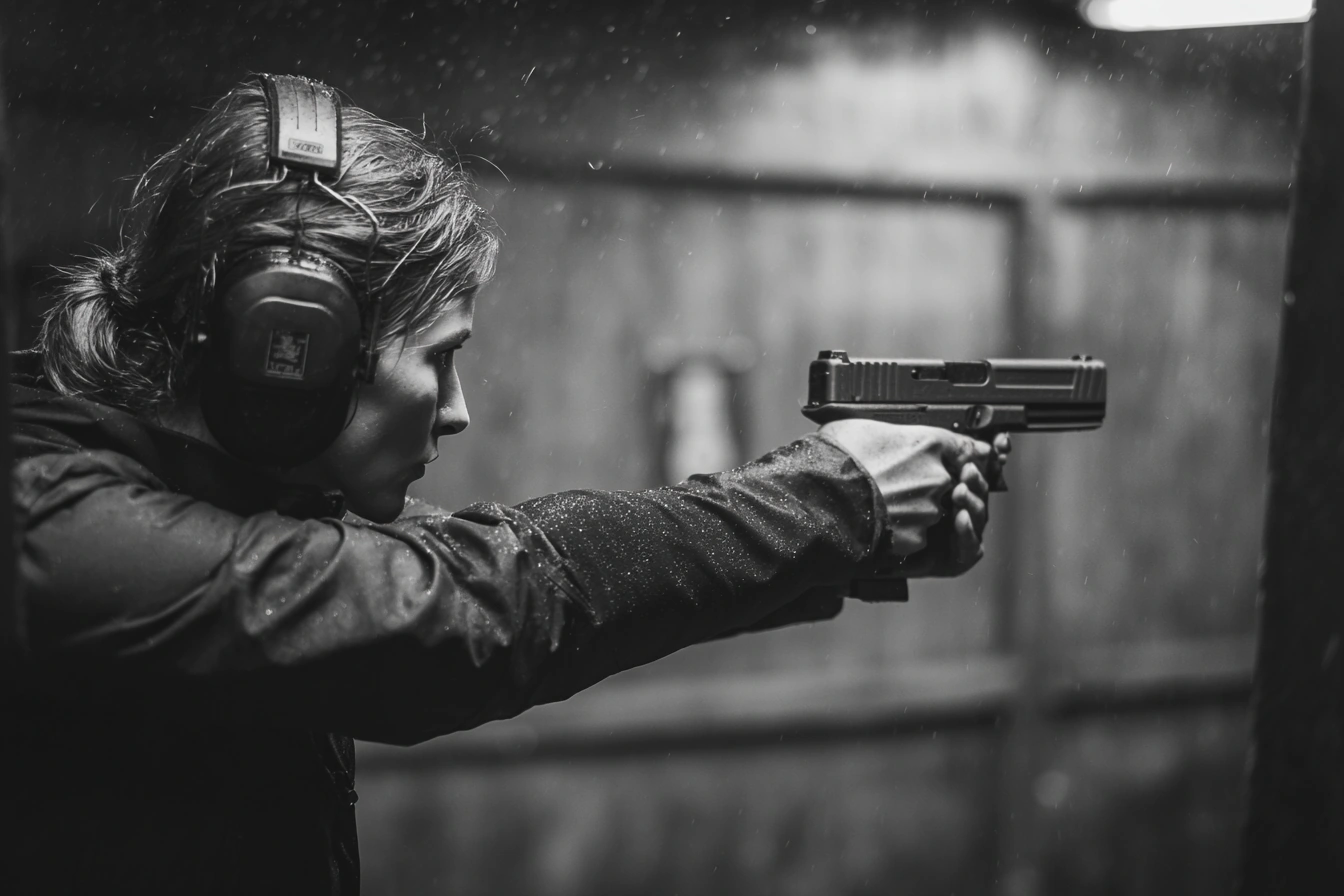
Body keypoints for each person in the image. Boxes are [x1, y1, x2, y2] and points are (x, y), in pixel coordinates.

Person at [5, 76, 1008, 894]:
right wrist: (836, 497)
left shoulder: (156, 494)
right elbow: (479, 606)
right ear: (296, 349)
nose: (457, 409)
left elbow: (530, 589)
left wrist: (856, 529)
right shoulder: (49, 528)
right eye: (438, 358)